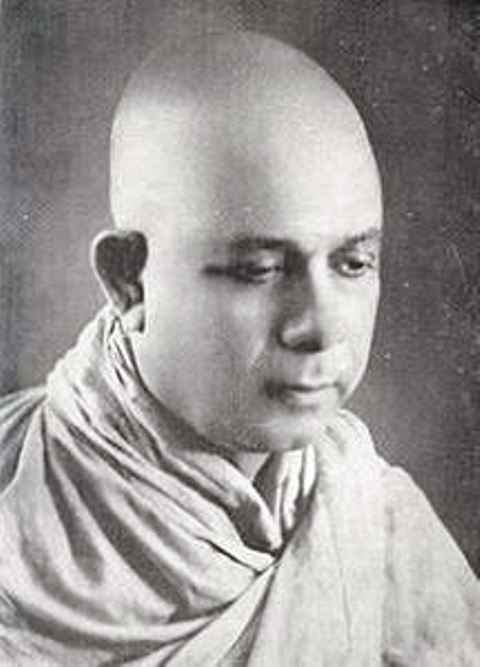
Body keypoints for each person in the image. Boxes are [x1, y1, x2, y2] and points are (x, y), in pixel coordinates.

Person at [0, 30, 478, 666]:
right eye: (260, 270)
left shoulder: (379, 528)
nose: (320, 328)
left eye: (353, 263)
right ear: (128, 279)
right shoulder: (13, 511)